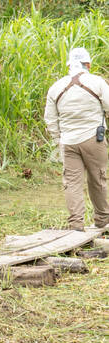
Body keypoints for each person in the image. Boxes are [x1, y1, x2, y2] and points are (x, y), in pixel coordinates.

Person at [43, 46, 109, 231]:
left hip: (68, 142)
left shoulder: (56, 87)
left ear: (69, 65)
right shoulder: (97, 82)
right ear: (88, 64)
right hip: (93, 139)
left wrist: (59, 139)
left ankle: (76, 224)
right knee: (98, 179)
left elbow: (50, 118)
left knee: (72, 182)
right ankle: (103, 220)